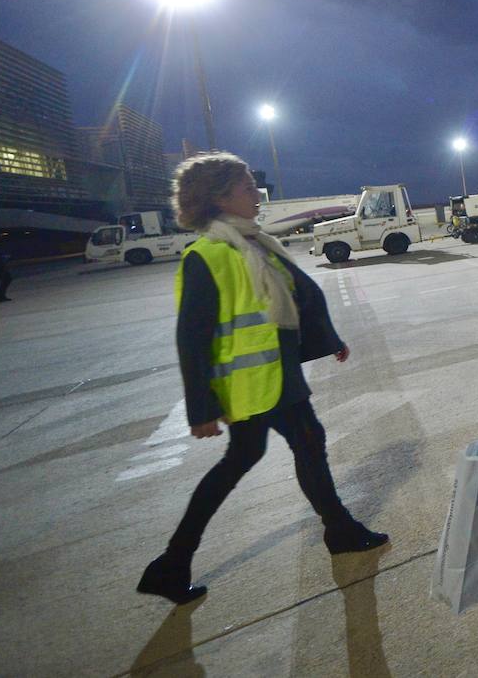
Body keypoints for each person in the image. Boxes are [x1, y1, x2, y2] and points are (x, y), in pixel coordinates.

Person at [137, 153, 387, 606]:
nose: (256, 194)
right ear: (219, 196)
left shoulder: (253, 243)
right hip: (253, 385)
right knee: (304, 442)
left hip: (276, 374)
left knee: (265, 453)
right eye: (247, 186)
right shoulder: (208, 255)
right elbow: (191, 340)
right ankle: (339, 529)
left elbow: (298, 298)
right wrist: (201, 409)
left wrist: (327, 340)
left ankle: (172, 565)